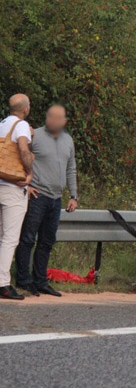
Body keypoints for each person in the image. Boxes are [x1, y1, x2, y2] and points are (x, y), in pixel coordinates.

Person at [15, 104, 78, 297]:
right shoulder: (35, 136)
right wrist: (26, 184)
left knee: (47, 241)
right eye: (51, 116)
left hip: (56, 199)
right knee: (27, 239)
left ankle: (40, 281)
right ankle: (23, 280)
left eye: (58, 117)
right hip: (37, 196)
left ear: (64, 121)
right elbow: (20, 156)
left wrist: (74, 196)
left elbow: (71, 169)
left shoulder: (68, 141)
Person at [0, 94, 34, 300]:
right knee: (10, 239)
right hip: (13, 187)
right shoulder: (21, 126)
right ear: (25, 109)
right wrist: (29, 174)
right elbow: (22, 148)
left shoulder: (2, 124)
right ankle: (3, 283)